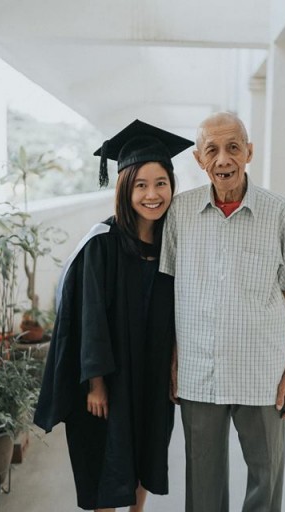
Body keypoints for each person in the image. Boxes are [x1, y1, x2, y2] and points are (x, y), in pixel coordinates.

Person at [34, 119, 194, 511]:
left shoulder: (174, 245)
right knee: (105, 459)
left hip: (152, 373)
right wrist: (97, 384)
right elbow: (88, 317)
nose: (152, 194)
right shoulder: (101, 244)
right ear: (124, 188)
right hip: (110, 378)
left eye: (161, 183)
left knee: (145, 451)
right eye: (141, 184)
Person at [159, 111, 285, 512]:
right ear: (198, 159)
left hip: (263, 369)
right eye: (212, 150)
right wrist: (173, 357)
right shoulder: (179, 213)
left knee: (267, 478)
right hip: (199, 368)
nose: (223, 159)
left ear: (249, 152)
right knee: (202, 484)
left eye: (233, 148)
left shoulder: (279, 212)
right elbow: (167, 289)